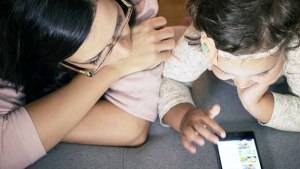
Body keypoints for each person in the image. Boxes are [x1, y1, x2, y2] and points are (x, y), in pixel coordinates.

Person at [0, 0, 175, 168]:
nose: (127, 51)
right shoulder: (12, 56)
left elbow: (131, 126)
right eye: (97, 57)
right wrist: (115, 70)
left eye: (118, 22)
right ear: (58, 62)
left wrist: (30, 123)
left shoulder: (133, 4)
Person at [158, 0, 300, 154]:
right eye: (224, 71)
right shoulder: (197, 39)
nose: (241, 83)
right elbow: (172, 78)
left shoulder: (296, 47)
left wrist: (259, 104)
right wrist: (184, 115)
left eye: (261, 73)